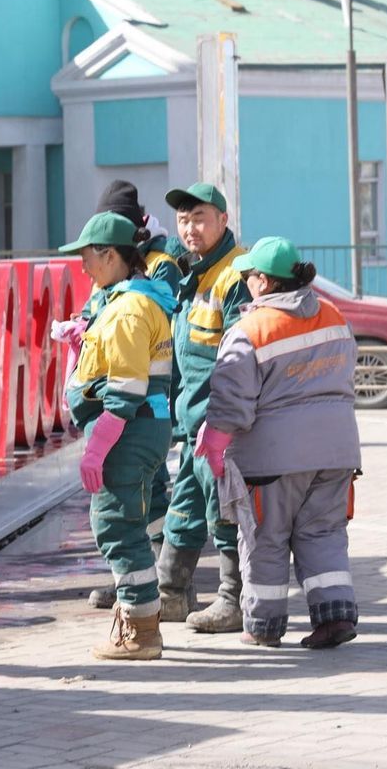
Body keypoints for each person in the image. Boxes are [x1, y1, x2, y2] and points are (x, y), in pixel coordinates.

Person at [196, 237, 361, 649]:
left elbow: (232, 402)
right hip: (337, 453)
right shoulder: (333, 315)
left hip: (271, 460)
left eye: (250, 276)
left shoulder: (250, 330)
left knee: (265, 539)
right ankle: (334, 617)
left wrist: (214, 444)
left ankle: (264, 627)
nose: (248, 282)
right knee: (323, 534)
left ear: (264, 283)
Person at [60, 212, 176, 660]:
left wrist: (97, 449)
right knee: (130, 520)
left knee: (116, 525)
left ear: (110, 255)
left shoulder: (128, 309)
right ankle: (141, 622)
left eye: (87, 257)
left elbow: (126, 390)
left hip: (129, 431)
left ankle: (141, 631)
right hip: (142, 429)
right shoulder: (128, 301)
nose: (83, 267)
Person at [156, 183, 252, 633]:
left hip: (218, 427)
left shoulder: (234, 276)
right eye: (182, 220)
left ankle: (233, 599)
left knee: (222, 511)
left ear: (222, 221)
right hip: (192, 422)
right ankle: (171, 594)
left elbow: (238, 357)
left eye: (198, 218)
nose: (189, 228)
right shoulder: (193, 276)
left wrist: (221, 424)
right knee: (186, 511)